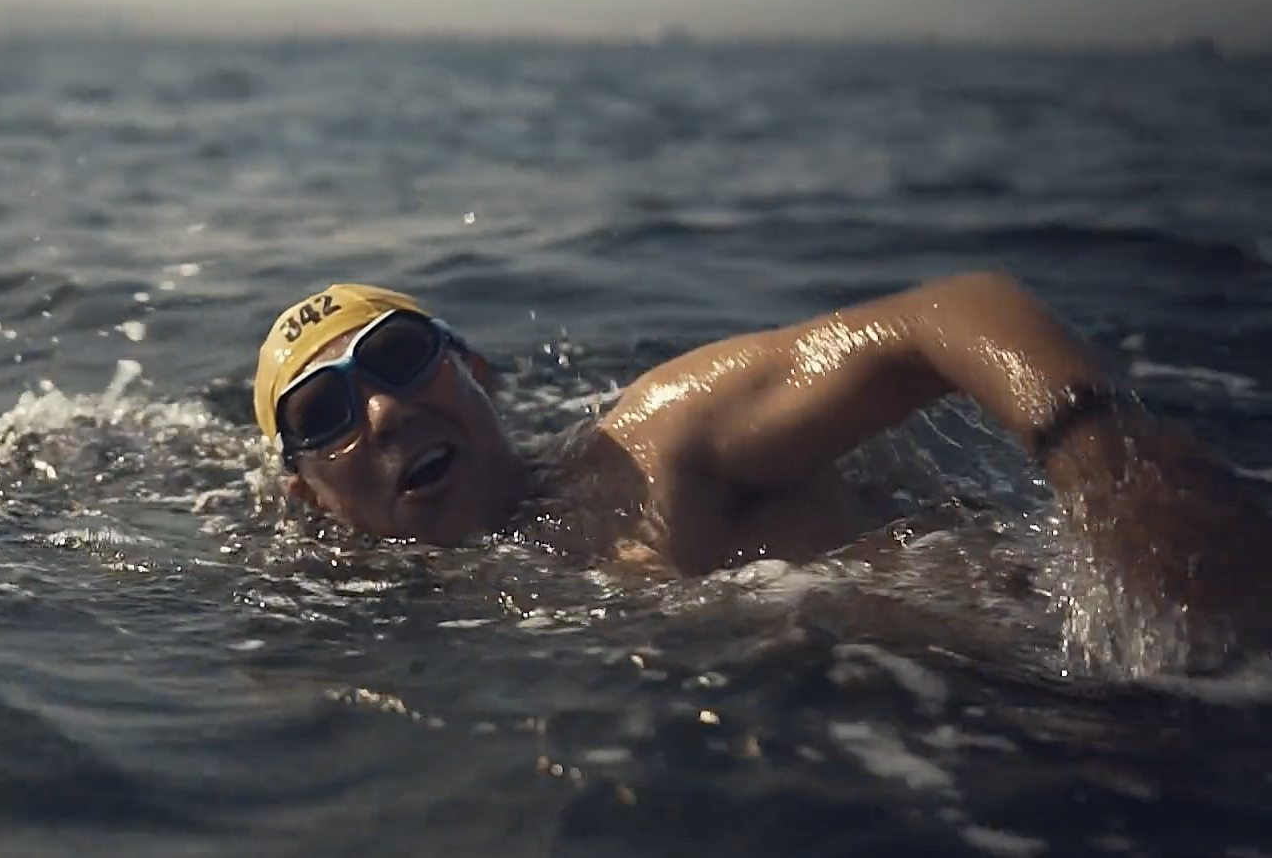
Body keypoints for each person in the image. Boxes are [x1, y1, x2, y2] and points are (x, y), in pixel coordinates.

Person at [252, 274, 1269, 638]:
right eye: (324, 409)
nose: (381, 410)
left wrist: (1108, 470)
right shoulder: (398, 636)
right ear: (309, 497)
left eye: (397, 357)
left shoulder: (653, 447)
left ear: (476, 371)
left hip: (1147, 649)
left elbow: (950, 314)